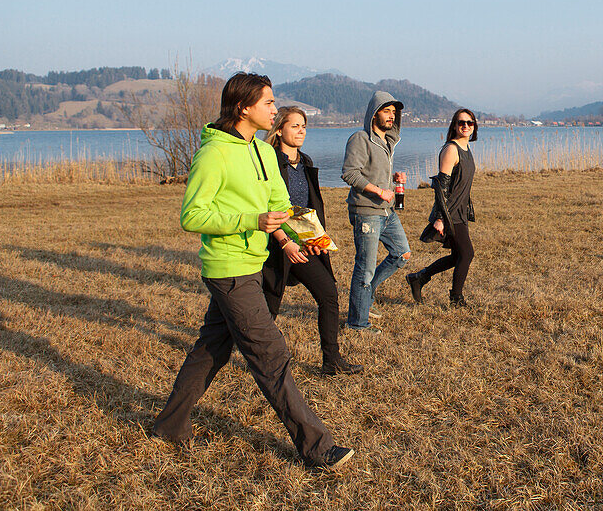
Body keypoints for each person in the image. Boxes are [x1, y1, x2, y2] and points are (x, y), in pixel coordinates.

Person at [152, 73, 353, 470]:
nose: (275, 110)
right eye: (268, 103)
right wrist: (252, 220)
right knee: (271, 354)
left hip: (255, 262)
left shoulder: (262, 153)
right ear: (244, 107)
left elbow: (279, 204)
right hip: (228, 268)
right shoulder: (214, 153)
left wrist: (294, 238)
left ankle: (169, 425)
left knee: (211, 348)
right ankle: (315, 447)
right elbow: (192, 215)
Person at [262, 106, 362, 377]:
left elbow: (309, 205)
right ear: (279, 128)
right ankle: (256, 359)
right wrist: (284, 242)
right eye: (295, 125)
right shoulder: (268, 160)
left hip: (305, 243)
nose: (301, 130)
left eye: (304, 126)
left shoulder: (305, 161)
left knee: (328, 294)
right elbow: (264, 207)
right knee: (269, 305)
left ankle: (332, 361)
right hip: (276, 244)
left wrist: (316, 237)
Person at [341, 91, 411, 334]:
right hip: (367, 212)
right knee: (365, 266)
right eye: (386, 111)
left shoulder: (386, 142)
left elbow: (372, 173)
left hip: (386, 211)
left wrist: (393, 180)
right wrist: (380, 191)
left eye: (394, 112)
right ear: (374, 113)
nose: (391, 116)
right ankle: (357, 322)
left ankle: (365, 295)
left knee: (402, 254)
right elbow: (350, 173)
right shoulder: (360, 138)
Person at [407, 108, 477, 307]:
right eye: (461, 122)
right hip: (450, 212)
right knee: (467, 254)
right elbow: (441, 186)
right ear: (454, 126)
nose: (465, 126)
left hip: (461, 210)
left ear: (474, 127)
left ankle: (419, 278)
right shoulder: (451, 149)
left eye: (469, 123)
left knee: (458, 255)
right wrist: (439, 217)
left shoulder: (466, 149)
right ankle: (456, 298)